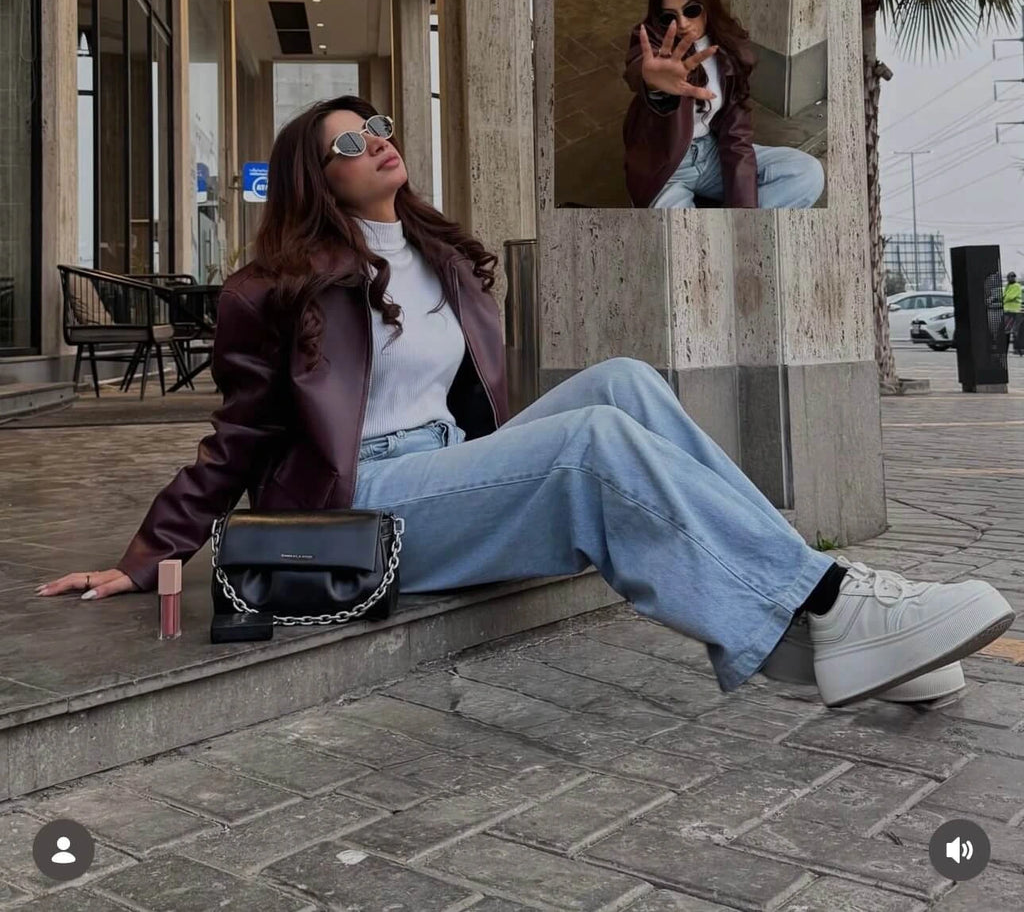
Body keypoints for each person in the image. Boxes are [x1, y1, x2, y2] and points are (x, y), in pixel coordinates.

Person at [37, 96, 1012, 707]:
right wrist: (146, 554)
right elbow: (239, 438)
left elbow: (476, 411)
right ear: (314, 173)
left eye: (378, 123)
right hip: (364, 507)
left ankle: (813, 628)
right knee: (590, 440)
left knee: (622, 381)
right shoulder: (270, 286)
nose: (376, 137)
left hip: (450, 467)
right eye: (348, 137)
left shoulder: (443, 260)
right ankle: (832, 611)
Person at [623, 0, 825, 209]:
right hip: (664, 166)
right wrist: (654, 86)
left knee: (808, 173)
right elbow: (637, 67)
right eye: (670, 17)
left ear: (707, 5)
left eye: (691, 10)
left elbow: (736, 135)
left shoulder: (728, 50)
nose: (683, 23)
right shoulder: (652, 44)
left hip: (711, 153)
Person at [1004, 271, 1023, 355]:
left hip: (1015, 311)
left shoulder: (1017, 286)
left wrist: (1004, 299)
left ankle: (1019, 349)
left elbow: (1010, 296)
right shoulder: (1007, 286)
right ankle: (1006, 349)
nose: (1010, 278)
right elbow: (1005, 296)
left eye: (1012, 277)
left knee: (1015, 331)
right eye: (1009, 277)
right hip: (1007, 311)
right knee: (1007, 331)